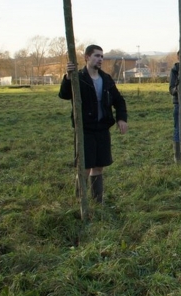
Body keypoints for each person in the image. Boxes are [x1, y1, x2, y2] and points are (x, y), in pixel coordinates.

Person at [59, 44, 128, 204]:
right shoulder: (79, 78)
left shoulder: (106, 79)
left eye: (102, 56)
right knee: (84, 168)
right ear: (87, 57)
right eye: (97, 56)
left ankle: (98, 201)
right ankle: (80, 202)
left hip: (102, 129)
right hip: (85, 130)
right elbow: (64, 95)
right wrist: (68, 77)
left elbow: (119, 101)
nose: (100, 59)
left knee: (98, 167)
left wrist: (121, 118)